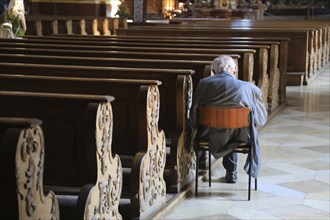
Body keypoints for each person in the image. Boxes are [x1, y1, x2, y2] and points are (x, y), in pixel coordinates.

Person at [190, 55, 267, 183]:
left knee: (224, 128)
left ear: (213, 71)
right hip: (240, 137)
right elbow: (261, 119)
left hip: (209, 134)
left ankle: (222, 169)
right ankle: (231, 172)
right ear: (235, 70)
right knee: (235, 129)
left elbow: (194, 111)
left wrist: (195, 126)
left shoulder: (203, 84)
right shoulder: (250, 88)